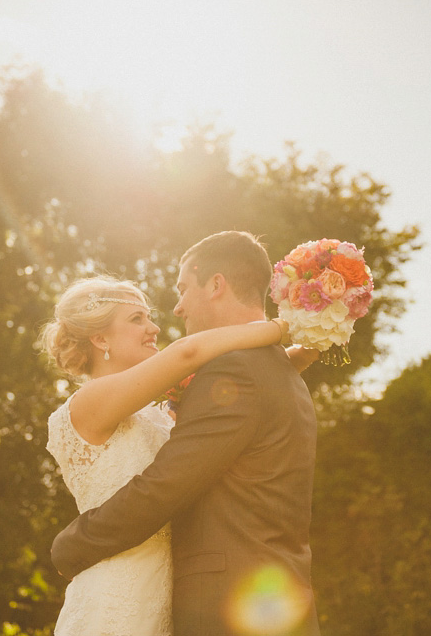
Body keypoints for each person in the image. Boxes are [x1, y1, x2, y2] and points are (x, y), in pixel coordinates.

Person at [51, 231, 322, 636]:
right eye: (137, 318)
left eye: (152, 313)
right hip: (118, 590)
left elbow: (223, 419)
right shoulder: (90, 402)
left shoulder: (183, 399)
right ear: (100, 338)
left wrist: (296, 351)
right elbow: (189, 355)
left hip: (177, 595)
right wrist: (279, 330)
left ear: (215, 285)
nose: (160, 323)